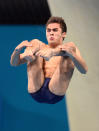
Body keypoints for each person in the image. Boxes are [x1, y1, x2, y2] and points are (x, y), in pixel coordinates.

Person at [10, 16, 88, 104]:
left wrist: (69, 54)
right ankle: (30, 54)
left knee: (69, 48)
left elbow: (84, 70)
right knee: (35, 42)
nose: (51, 33)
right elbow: (14, 63)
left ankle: (57, 52)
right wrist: (17, 50)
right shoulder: (40, 47)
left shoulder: (70, 48)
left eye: (55, 30)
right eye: (48, 30)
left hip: (56, 91)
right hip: (36, 89)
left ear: (63, 34)